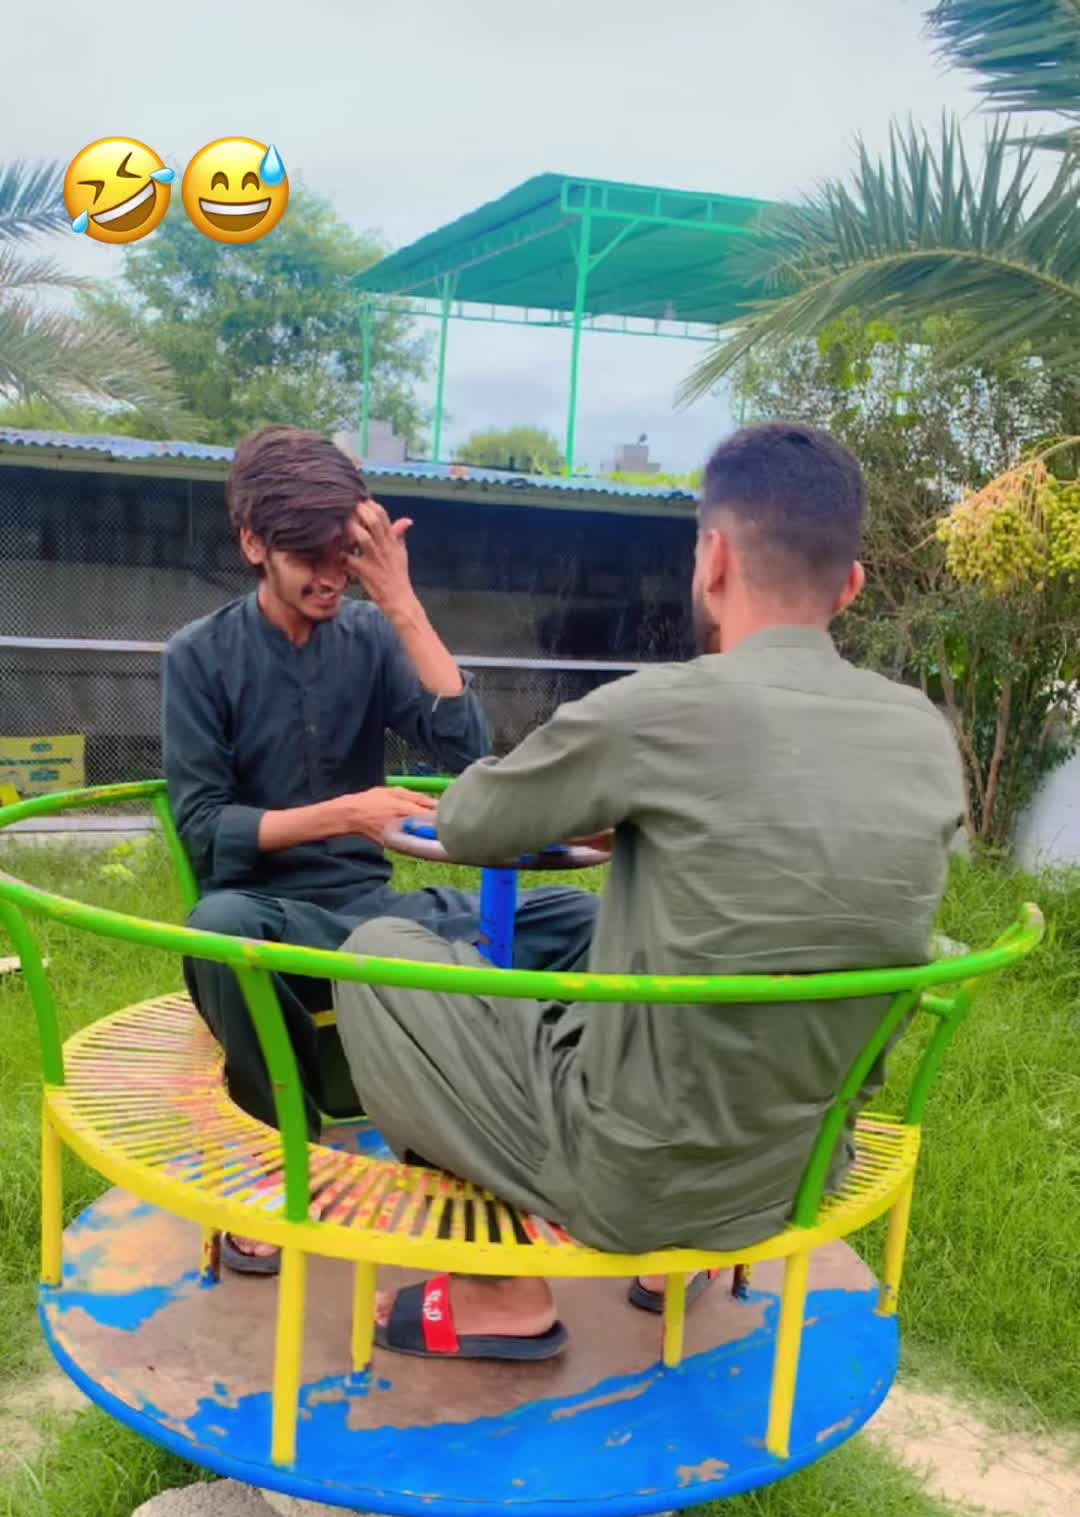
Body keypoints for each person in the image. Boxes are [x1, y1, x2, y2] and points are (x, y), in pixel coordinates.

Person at [332, 421, 966, 1362]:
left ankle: (499, 1294)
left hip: (635, 1178)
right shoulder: (924, 735)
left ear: (713, 560)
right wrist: (637, 828)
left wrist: (607, 812)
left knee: (379, 957)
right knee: (641, 961)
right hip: (804, 1165)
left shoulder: (658, 710)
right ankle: (679, 1272)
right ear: (851, 587)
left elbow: (471, 822)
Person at [163, 426, 597, 1273]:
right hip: (276, 916)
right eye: (308, 559)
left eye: (345, 557)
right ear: (253, 545)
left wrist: (402, 603)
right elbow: (208, 831)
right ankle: (280, 1157)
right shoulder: (199, 657)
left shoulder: (368, 635)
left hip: (380, 920)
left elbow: (469, 751)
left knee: (581, 922)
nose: (331, 578)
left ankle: (570, 1133)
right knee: (215, 930)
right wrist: (345, 814)